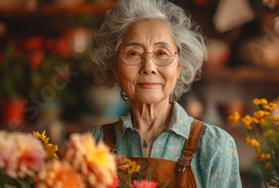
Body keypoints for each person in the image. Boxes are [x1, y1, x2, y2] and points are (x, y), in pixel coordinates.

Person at [89, 0, 242, 187]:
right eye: (134, 53)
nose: (149, 67)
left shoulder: (214, 146)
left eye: (162, 53)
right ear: (114, 68)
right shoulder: (93, 146)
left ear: (179, 66)